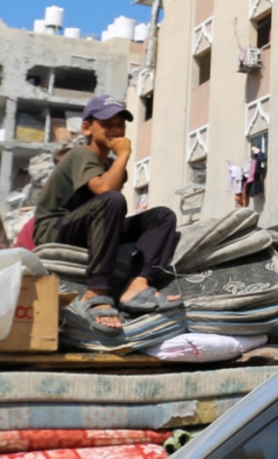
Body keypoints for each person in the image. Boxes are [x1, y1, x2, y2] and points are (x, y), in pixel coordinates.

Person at [32, 96, 181, 330]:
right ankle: (96, 290)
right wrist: (124, 155)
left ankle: (138, 285)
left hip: (91, 226)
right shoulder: (80, 154)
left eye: (120, 125)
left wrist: (118, 161)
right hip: (55, 230)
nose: (115, 130)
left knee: (162, 216)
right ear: (86, 128)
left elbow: (109, 202)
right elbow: (105, 191)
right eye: (107, 124)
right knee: (111, 199)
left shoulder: (113, 167)